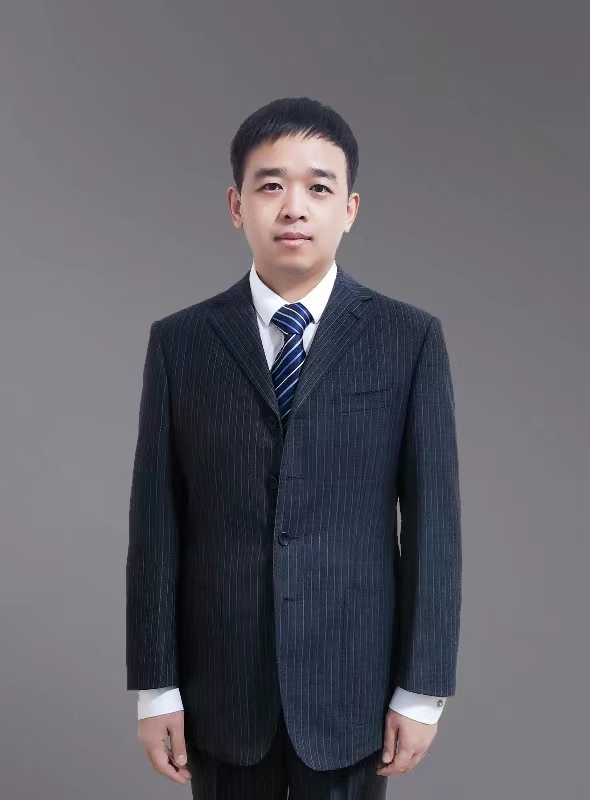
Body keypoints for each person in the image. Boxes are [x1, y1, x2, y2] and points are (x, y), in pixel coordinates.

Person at [126, 96, 462, 799]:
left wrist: (422, 691)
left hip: (353, 689)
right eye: (271, 185)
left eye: (319, 188)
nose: (294, 208)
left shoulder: (408, 340)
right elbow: (156, 523)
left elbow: (435, 525)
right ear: (236, 204)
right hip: (221, 690)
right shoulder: (180, 343)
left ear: (350, 209)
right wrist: (156, 687)